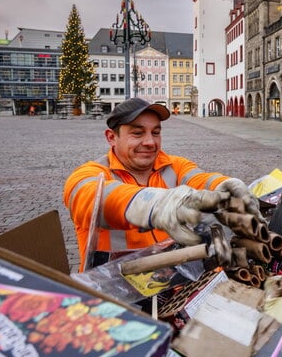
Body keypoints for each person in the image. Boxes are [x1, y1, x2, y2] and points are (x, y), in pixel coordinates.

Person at [64, 97, 261, 271]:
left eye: (156, 132)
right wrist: (153, 204)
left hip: (170, 281)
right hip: (113, 289)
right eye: (137, 133)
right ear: (111, 137)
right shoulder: (91, 173)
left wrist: (226, 185)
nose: (150, 142)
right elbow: (88, 196)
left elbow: (200, 179)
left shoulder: (174, 165)